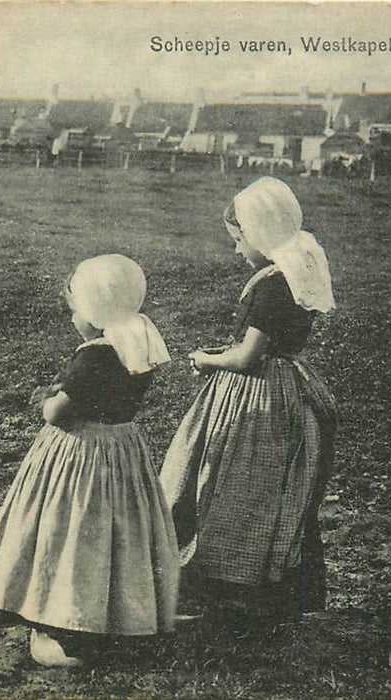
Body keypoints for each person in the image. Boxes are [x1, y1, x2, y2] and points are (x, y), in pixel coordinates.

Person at [0, 254, 179, 667]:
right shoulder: (136, 341)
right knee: (117, 535)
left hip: (81, 455)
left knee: (72, 532)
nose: (74, 319)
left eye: (75, 311)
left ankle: (67, 626)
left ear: (94, 311)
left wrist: (47, 401)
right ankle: (119, 614)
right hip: (122, 448)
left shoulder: (95, 355)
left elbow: (59, 413)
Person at [160, 176, 337, 625]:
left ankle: (232, 589)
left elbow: (250, 357)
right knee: (275, 491)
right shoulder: (295, 271)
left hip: (259, 397)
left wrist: (206, 359)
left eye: (239, 239)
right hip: (288, 385)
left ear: (259, 233)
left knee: (236, 484)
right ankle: (267, 588)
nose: (237, 250)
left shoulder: (272, 285)